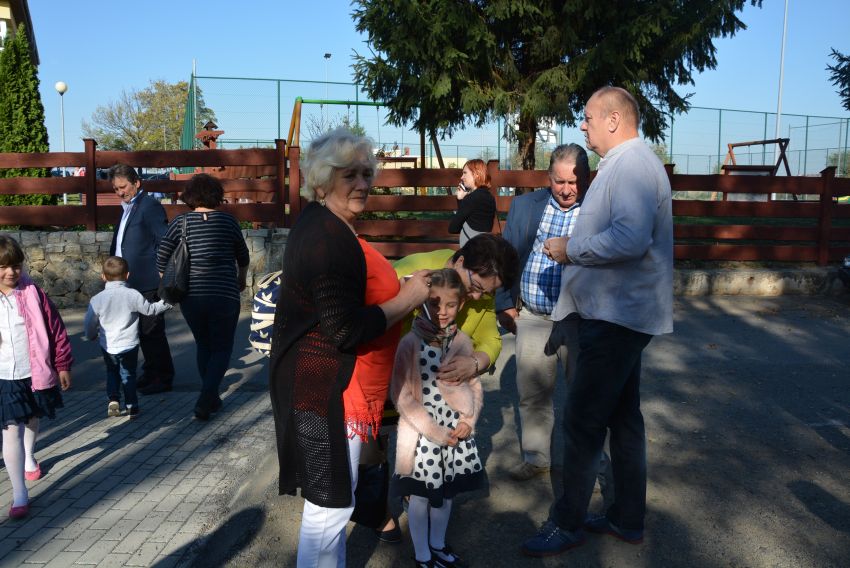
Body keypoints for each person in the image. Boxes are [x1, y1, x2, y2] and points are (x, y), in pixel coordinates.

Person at [521, 86, 674, 557]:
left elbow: (629, 239)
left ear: (613, 120)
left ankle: (566, 523)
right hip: (619, 315)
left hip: (615, 318)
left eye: (588, 117)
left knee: (582, 421)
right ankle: (626, 518)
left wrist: (572, 249)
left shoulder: (631, 166)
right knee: (623, 420)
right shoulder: (626, 163)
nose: (582, 125)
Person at [268, 128, 431, 567]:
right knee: (330, 507)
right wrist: (407, 300)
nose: (362, 184)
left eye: (366, 174)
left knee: (334, 503)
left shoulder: (326, 225)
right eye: (349, 175)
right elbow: (344, 329)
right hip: (325, 389)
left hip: (326, 384)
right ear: (323, 181)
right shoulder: (326, 238)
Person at [496, 143, 591, 481]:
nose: (566, 190)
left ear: (585, 178)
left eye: (573, 182)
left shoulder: (599, 210)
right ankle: (536, 459)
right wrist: (504, 303)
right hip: (534, 316)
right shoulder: (525, 206)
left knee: (586, 398)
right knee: (532, 394)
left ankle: (590, 469)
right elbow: (506, 256)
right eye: (559, 181)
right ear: (548, 177)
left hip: (581, 321)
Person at [391, 268, 484, 568]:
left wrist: (468, 421)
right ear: (422, 302)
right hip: (423, 438)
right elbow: (401, 395)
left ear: (461, 304)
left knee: (446, 495)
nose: (443, 312)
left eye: (450, 305)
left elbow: (474, 386)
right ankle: (422, 556)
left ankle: (438, 545)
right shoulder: (410, 343)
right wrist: (433, 431)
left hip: (455, 436)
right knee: (420, 497)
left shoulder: (463, 342)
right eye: (435, 303)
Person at [156, 173, 250, 421]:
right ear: (216, 195)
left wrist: (170, 282)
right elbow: (243, 256)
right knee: (222, 347)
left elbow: (162, 257)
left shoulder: (180, 222)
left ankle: (211, 398)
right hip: (225, 294)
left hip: (192, 296)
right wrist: (241, 279)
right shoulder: (228, 222)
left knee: (204, 344)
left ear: (190, 195)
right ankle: (206, 397)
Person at [0, 235, 72, 519]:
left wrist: (62, 364)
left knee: (32, 417)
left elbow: (56, 330)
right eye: (3, 267)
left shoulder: (33, 292)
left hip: (34, 371)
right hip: (4, 376)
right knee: (11, 430)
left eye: (16, 266)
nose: (11, 272)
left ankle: (30, 455)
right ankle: (20, 493)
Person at [393, 234, 519, 386]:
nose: (477, 297)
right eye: (476, 286)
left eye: (487, 293)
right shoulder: (411, 271)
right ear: (460, 262)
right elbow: (376, 320)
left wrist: (474, 363)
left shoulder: (483, 292)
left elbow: (491, 340)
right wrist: (406, 300)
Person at [108, 164, 175, 395]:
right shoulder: (128, 207)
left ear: (136, 183)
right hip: (128, 281)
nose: (120, 192)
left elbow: (164, 241)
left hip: (147, 280)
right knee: (141, 332)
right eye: (116, 189)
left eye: (123, 187)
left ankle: (162, 377)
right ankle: (150, 371)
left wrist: (160, 271)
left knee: (152, 331)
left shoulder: (149, 206)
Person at [83, 256, 172, 419]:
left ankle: (113, 399)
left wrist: (91, 335)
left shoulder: (97, 299)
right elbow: (150, 310)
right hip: (129, 344)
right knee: (128, 374)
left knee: (112, 371)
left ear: (103, 276)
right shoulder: (132, 295)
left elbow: (89, 322)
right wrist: (167, 302)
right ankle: (132, 406)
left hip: (108, 345)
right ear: (128, 275)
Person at [448, 159, 497, 246]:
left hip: (470, 250)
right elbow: (472, 220)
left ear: (476, 174)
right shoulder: (490, 197)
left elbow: (453, 228)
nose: (462, 177)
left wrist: (460, 200)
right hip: (484, 247)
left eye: (465, 173)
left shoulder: (471, 198)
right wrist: (462, 200)